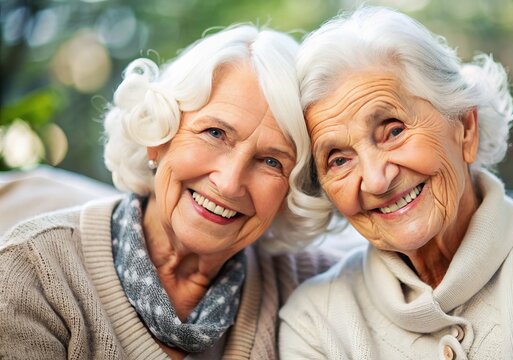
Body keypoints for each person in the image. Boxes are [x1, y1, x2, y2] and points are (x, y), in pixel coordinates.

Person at [279, 7, 513, 359]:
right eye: (339, 159)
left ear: (466, 128)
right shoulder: (314, 321)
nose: (376, 179)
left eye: (393, 130)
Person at [0, 24, 336, 359]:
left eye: (271, 162)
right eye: (215, 133)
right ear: (158, 135)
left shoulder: (313, 289)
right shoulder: (37, 272)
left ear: (290, 193)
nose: (230, 182)